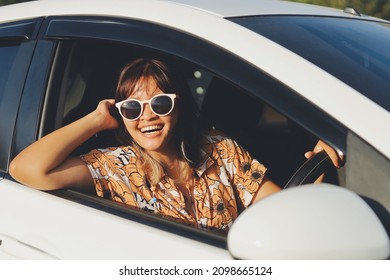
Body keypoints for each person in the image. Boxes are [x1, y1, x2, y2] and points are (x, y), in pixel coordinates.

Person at [9, 58, 341, 230]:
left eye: (160, 103)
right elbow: (25, 169)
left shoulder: (220, 149)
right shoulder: (116, 165)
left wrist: (318, 171)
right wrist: (96, 119)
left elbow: (286, 213)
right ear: (120, 114)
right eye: (132, 108)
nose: (147, 117)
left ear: (178, 105)